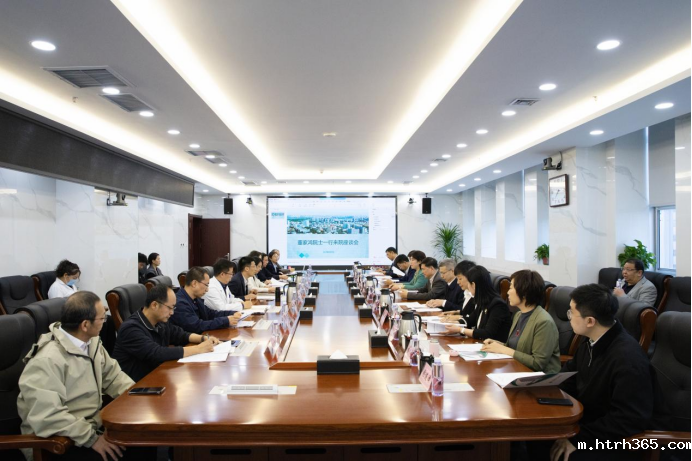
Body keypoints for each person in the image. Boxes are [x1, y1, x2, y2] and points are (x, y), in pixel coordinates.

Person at [17, 291, 154, 461]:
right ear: (85, 325)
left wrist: (140, 400)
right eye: (102, 318)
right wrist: (92, 439)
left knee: (144, 440)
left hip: (90, 426)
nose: (105, 321)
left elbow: (114, 377)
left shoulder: (91, 342)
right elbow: (49, 416)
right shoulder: (47, 360)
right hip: (57, 440)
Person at [543, 283, 663, 461]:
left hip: (622, 440)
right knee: (538, 437)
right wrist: (538, 391)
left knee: (561, 454)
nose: (569, 318)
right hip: (593, 424)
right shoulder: (592, 341)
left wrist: (578, 439)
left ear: (590, 321)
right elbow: (568, 379)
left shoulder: (628, 359)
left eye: (571, 313)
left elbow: (627, 419)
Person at [113, 284, 220, 382]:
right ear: (154, 305)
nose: (172, 312)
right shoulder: (131, 328)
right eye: (170, 308)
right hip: (136, 387)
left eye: (173, 308)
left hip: (158, 376)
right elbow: (157, 353)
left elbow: (179, 334)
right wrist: (198, 349)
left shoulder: (159, 321)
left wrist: (203, 338)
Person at [480, 270, 560, 373]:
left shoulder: (544, 322)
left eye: (511, 288)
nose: (508, 292)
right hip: (516, 370)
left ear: (524, 293)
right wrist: (497, 344)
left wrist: (503, 349)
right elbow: (514, 348)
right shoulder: (518, 315)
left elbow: (538, 363)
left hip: (538, 378)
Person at [445, 265, 511, 341]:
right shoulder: (482, 301)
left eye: (468, 283)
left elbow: (487, 333)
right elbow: (471, 319)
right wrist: (453, 323)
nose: (468, 287)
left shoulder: (497, 305)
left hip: (492, 346)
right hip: (480, 343)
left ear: (473, 285)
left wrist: (460, 330)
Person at [170, 267, 241, 334]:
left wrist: (232, 313)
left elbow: (210, 314)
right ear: (194, 283)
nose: (207, 290)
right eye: (206, 285)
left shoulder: (196, 299)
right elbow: (197, 326)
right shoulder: (179, 303)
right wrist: (225, 321)